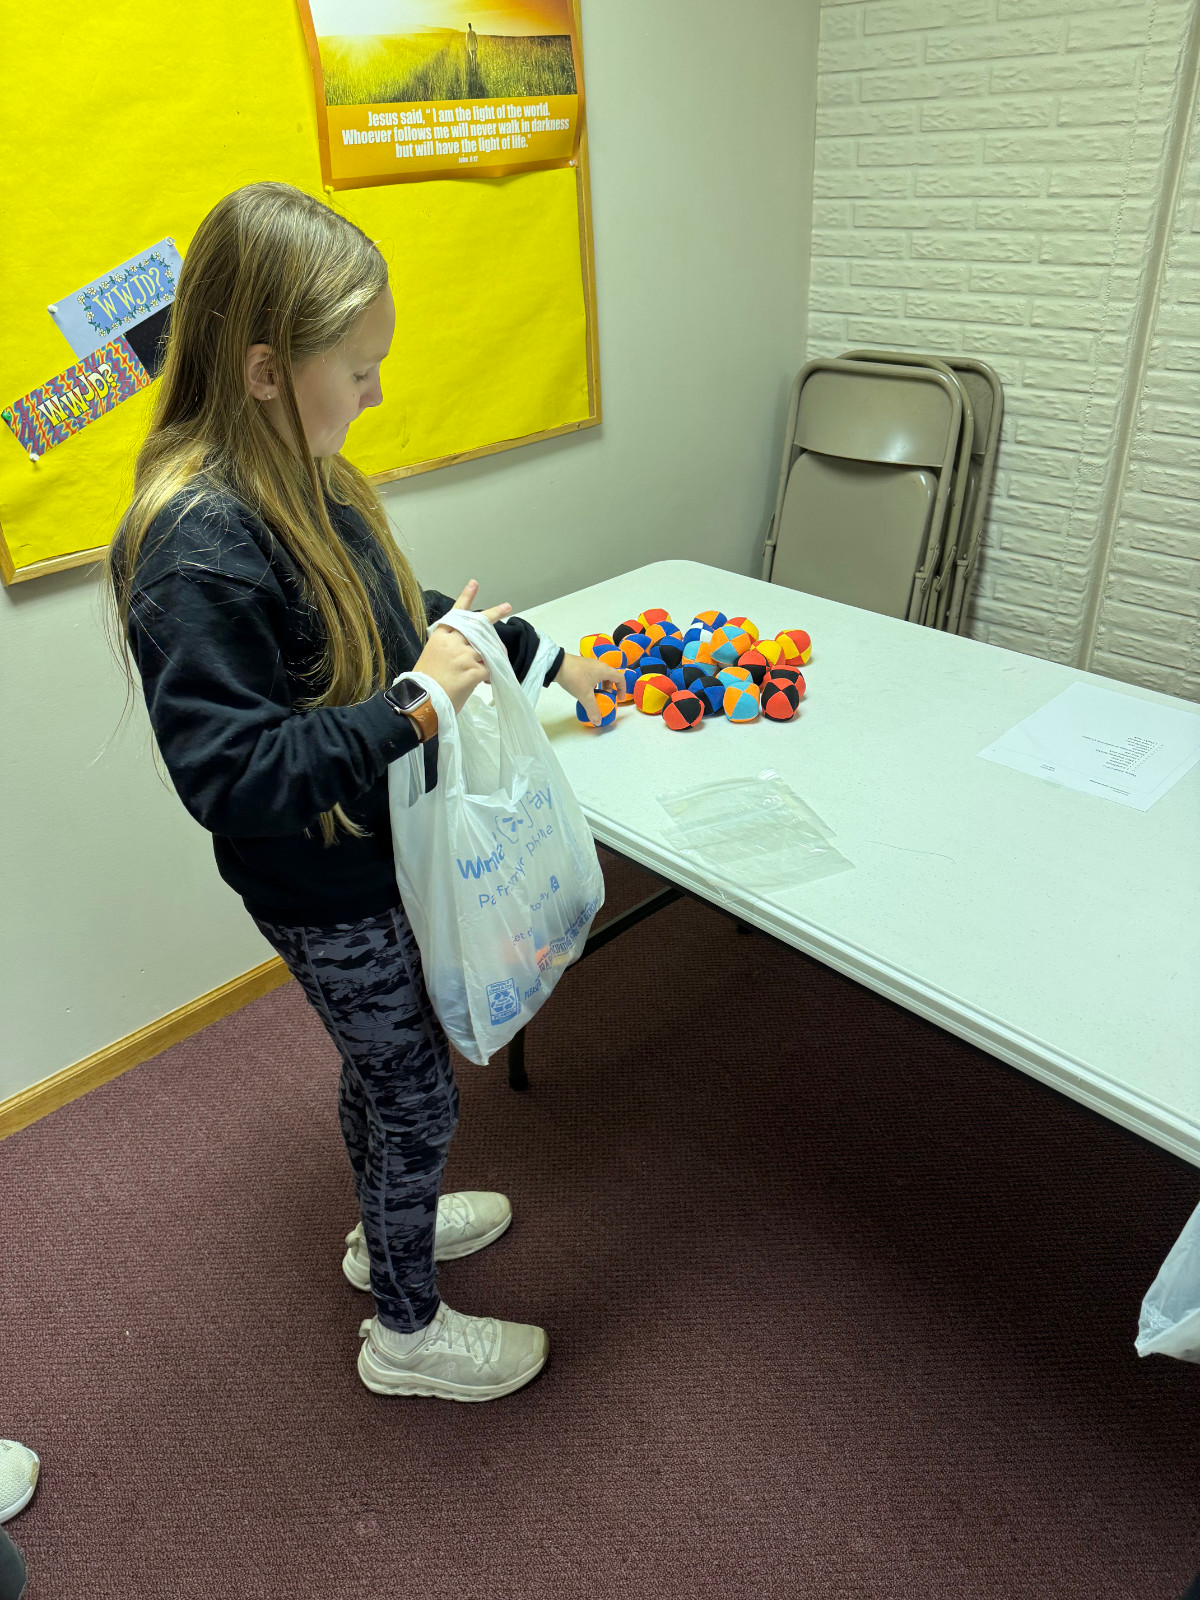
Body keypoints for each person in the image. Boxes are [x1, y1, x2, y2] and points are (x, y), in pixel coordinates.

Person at [105, 181, 616, 1402]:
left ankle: (383, 1224)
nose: (377, 389)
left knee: (378, 1067)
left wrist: (524, 649)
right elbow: (228, 773)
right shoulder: (197, 537)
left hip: (364, 848)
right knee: (417, 1088)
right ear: (269, 367)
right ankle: (406, 1330)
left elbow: (392, 608)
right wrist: (417, 705)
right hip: (315, 878)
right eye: (360, 364)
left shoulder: (300, 469)